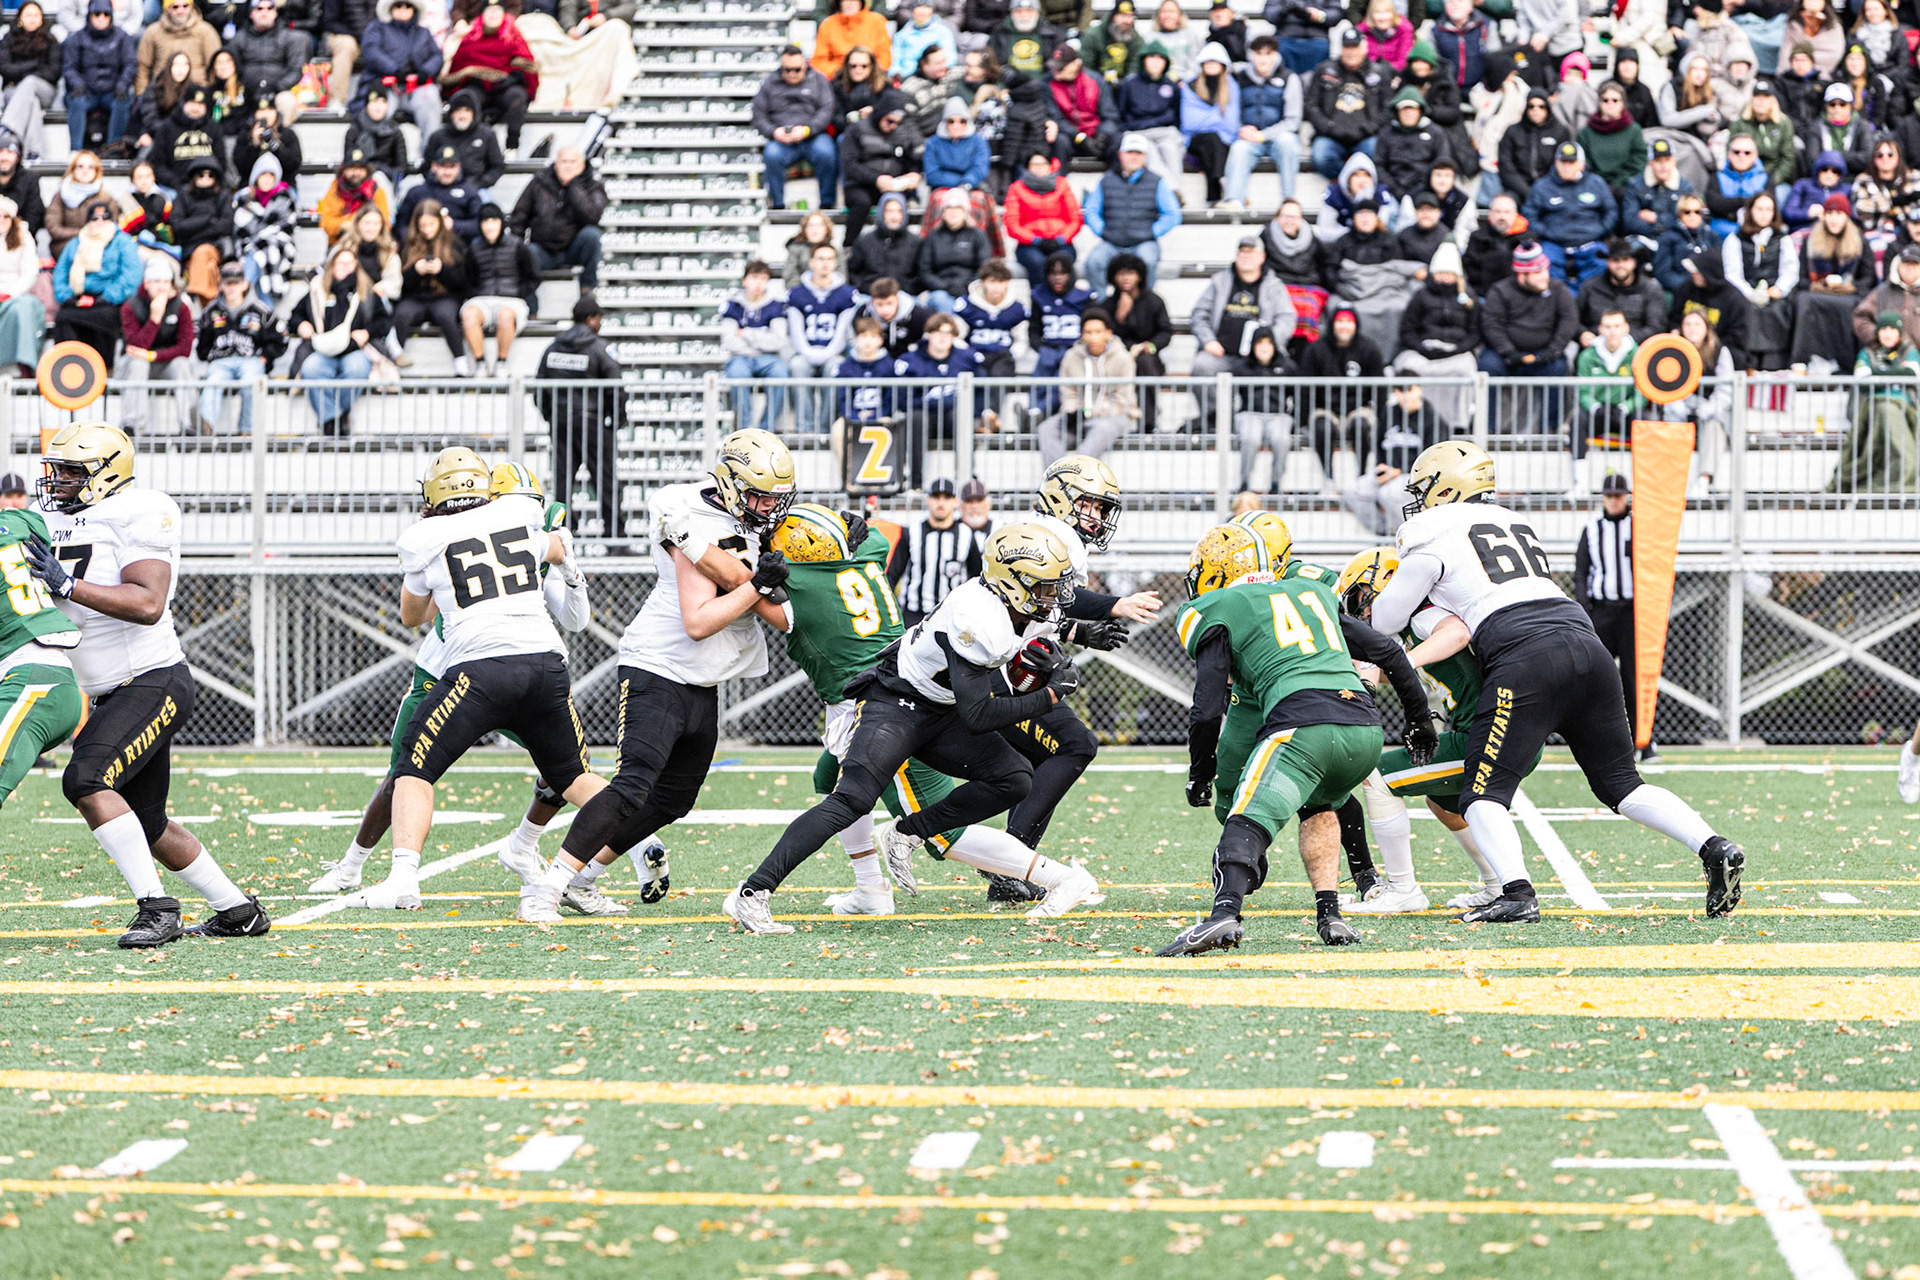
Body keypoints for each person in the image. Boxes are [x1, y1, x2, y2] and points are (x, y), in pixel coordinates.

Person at [1369, 440, 1747, 924]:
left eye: (1424, 488)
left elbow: (1385, 617)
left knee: (1482, 794)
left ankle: (1516, 892)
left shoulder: (1430, 529)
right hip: (1586, 644)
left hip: (1524, 654)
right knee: (1622, 785)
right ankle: (1713, 847)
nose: (1419, 500)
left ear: (1446, 488)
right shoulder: (1512, 520)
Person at [726, 521, 1083, 931]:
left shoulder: (1013, 605)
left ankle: (907, 832)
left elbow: (1039, 638)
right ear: (1013, 583)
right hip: (896, 702)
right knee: (852, 800)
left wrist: (1074, 641)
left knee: (1013, 778)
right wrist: (1051, 695)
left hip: (940, 705)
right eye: (1046, 588)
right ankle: (753, 893)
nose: (1054, 597)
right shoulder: (977, 616)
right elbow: (979, 716)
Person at [518, 431, 792, 923]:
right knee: (632, 786)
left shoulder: (741, 525)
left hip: (704, 678)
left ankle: (583, 878)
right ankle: (547, 887)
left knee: (673, 800)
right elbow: (698, 622)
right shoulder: (685, 510)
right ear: (730, 483)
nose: (769, 507)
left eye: (776, 497)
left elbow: (784, 615)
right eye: (759, 495)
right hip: (659, 664)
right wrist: (757, 585)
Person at [25, 424, 268, 946]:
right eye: (56, 469)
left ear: (107, 472)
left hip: (152, 679)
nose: (59, 480)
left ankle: (157, 908)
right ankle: (238, 911)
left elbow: (147, 603)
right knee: (148, 822)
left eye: (71, 471)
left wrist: (67, 584)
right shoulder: (47, 518)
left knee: (86, 779)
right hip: (109, 688)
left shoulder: (140, 510)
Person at [1157, 523, 1428, 953]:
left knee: (1248, 817)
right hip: (1364, 727)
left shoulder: (1218, 605)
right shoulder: (1312, 591)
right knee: (1319, 806)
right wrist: (1420, 721)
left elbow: (1207, 710)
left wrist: (1200, 772)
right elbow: (1389, 652)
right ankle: (1330, 915)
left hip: (1301, 722)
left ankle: (1223, 914)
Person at [368, 449, 604, 915]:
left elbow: (412, 616)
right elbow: (557, 550)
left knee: (414, 768)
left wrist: (435, 580)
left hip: (481, 669)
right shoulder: (521, 516)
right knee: (575, 777)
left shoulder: (426, 537)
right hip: (546, 663)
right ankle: (632, 840)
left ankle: (402, 880)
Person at [1573, 473, 1651, 756]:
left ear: (1627, 496)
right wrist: (1586, 611)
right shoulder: (1592, 529)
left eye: (1618, 495)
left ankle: (1643, 741)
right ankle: (1596, 742)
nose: (1614, 501)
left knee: (1634, 679)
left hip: (1632, 615)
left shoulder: (1639, 527)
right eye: (1609, 496)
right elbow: (1581, 572)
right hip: (1602, 612)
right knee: (1598, 679)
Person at [535, 297, 624, 539]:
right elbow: (615, 386)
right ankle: (614, 535)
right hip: (593, 423)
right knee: (605, 480)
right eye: (599, 318)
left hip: (561, 422)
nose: (600, 323)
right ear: (591, 319)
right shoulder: (600, 347)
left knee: (563, 481)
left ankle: (563, 534)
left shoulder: (553, 347)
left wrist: (550, 416)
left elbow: (539, 386)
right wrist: (616, 419)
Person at [1478, 241, 1578, 432]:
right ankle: (1487, 428)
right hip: (1506, 355)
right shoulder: (1500, 290)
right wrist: (1508, 351)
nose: (1545, 276)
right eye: (1538, 272)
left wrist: (1554, 349)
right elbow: (1492, 324)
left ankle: (1551, 429)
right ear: (1522, 274)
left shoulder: (1557, 289)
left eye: (1545, 270)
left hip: (1544, 354)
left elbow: (1569, 320)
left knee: (1559, 367)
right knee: (1487, 366)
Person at [290, 247, 389, 435]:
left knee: (356, 369)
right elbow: (295, 316)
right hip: (322, 350)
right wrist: (301, 324)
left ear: (356, 266)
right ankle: (332, 419)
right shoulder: (318, 290)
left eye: (349, 263)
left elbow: (384, 322)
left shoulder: (366, 292)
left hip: (356, 349)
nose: (345, 267)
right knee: (310, 368)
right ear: (331, 265)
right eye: (340, 263)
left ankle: (337, 417)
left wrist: (367, 333)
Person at [1392, 242, 1479, 424]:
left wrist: (1457, 349)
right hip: (1424, 349)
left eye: (1449, 273)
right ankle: (1407, 419)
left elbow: (1475, 332)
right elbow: (1407, 330)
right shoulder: (1421, 295)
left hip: (1455, 351)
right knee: (1406, 365)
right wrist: (1422, 348)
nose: (1444, 277)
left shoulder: (1468, 296)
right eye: (1440, 272)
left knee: (1466, 368)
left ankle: (1460, 423)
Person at [1296, 306, 1385, 484]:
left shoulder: (1369, 348)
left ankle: (1361, 477)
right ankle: (1328, 478)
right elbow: (1305, 388)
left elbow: (1379, 388)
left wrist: (1383, 418)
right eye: (1340, 321)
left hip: (1359, 408)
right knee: (1323, 428)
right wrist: (1302, 420)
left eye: (1349, 321)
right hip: (1325, 409)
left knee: (1361, 426)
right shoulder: (1316, 349)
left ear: (1356, 325)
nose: (1344, 326)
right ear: (1332, 324)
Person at [1190, 237, 1296, 386]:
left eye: (1251, 252)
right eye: (1242, 252)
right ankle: (1215, 404)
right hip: (1222, 355)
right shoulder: (1219, 281)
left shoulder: (1274, 286)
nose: (1246, 256)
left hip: (1256, 358)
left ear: (1262, 257)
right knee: (1202, 365)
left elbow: (1287, 318)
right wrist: (1209, 341)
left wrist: (1267, 343)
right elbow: (1199, 314)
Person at [1081, 133, 1180, 288]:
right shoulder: (1106, 180)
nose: (1134, 157)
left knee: (1147, 262)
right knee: (1094, 262)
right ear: (1120, 155)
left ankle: (1144, 302)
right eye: (1129, 152)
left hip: (1144, 243)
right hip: (1111, 243)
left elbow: (1172, 214)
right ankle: (1101, 302)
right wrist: (1103, 231)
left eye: (1138, 153)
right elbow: (1091, 210)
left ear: (1145, 156)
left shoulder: (1157, 182)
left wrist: (1151, 232)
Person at [196, 262, 283, 435]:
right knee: (212, 382)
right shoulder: (211, 311)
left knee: (251, 383)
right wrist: (211, 356)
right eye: (227, 283)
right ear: (221, 285)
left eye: (236, 283)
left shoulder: (260, 310)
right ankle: (207, 429)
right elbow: (202, 345)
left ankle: (247, 431)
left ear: (245, 284)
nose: (232, 287)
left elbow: (280, 338)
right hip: (221, 362)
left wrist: (266, 357)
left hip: (251, 360)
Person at [1039, 307, 1137, 461]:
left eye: (1098, 332)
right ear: (1082, 334)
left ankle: (1077, 471)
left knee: (1102, 429)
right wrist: (1074, 411)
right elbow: (1068, 393)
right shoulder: (1072, 356)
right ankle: (1058, 473)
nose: (1093, 337)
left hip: (1112, 416)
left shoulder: (1122, 358)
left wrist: (1092, 412)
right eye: (1088, 332)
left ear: (1108, 333)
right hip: (1079, 417)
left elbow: (1122, 399)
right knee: (1046, 428)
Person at [53, 199, 141, 368]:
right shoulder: (76, 242)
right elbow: (60, 273)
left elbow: (131, 276)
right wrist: (67, 297)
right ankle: (68, 367)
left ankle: (102, 369)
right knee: (64, 318)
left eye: (104, 217)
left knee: (102, 319)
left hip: (108, 299)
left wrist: (106, 297)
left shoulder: (122, 241)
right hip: (77, 297)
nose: (99, 221)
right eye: (94, 217)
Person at [1328, 197, 1418, 360]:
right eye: (1361, 214)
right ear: (1354, 218)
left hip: (1384, 293)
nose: (1365, 218)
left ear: (1376, 218)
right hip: (1351, 293)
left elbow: (1395, 270)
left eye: (1369, 214)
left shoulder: (1389, 240)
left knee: (1398, 307)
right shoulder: (1343, 242)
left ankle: (1389, 357)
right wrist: (1343, 289)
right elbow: (1330, 270)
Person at [442, 3, 537, 155]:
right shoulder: (471, 38)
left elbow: (528, 66)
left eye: (497, 11)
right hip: (478, 86)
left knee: (517, 97)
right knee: (468, 98)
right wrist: (472, 76)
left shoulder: (514, 38)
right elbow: (459, 66)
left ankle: (512, 145)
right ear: (482, 15)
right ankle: (469, 145)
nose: (493, 15)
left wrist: (514, 76)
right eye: (489, 11)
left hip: (506, 86)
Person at [1791, 194, 1873, 370]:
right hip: (1816, 292)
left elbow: (1868, 278)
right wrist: (1816, 285)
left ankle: (1847, 365)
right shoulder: (1810, 240)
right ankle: (1803, 362)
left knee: (1854, 306)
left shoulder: (1860, 241)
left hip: (1849, 294)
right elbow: (1801, 277)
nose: (1834, 219)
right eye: (1830, 214)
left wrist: (1851, 287)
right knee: (1803, 301)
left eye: (1839, 214)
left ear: (1846, 216)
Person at [510, 146, 606, 295]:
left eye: (572, 162)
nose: (568, 166)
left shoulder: (592, 184)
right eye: (564, 161)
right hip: (543, 249)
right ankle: (529, 304)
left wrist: (574, 186)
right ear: (556, 164)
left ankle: (587, 291)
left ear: (582, 165)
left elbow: (593, 217)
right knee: (526, 253)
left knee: (592, 235)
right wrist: (516, 247)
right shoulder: (540, 182)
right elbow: (519, 217)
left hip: (574, 249)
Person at [888, 477, 984, 624]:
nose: (941, 503)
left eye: (947, 498)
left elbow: (977, 577)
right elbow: (892, 575)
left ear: (956, 501)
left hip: (953, 616)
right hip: (914, 616)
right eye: (936, 497)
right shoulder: (912, 532)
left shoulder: (966, 535)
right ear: (927, 500)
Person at [1522, 141, 1618, 286]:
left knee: (1601, 261)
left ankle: (1584, 296)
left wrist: (1601, 229)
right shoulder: (1542, 186)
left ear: (1582, 164)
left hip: (1590, 242)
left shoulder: (1596, 183)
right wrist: (1547, 232)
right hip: (1554, 243)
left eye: (1571, 162)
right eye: (1563, 162)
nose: (1567, 167)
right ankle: (1563, 296)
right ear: (1556, 163)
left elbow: (1611, 210)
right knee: (1544, 263)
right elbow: (1529, 215)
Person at [755, 46, 838, 211]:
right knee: (771, 154)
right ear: (781, 67)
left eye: (797, 70)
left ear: (805, 66)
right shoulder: (769, 83)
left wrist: (807, 130)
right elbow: (758, 115)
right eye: (787, 70)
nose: (792, 74)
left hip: (813, 136)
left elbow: (827, 110)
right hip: (781, 138)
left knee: (827, 153)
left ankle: (827, 204)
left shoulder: (818, 80)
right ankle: (777, 205)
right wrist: (774, 132)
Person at [116, 257, 194, 435]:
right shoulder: (131, 306)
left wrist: (153, 356)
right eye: (156, 281)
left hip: (164, 364)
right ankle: (132, 425)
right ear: (146, 283)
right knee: (138, 363)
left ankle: (187, 425)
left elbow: (185, 348)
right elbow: (135, 346)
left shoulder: (181, 307)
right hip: (133, 367)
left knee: (181, 364)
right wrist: (154, 319)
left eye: (165, 281)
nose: (161, 287)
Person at [392, 198, 472, 371]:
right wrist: (415, 271)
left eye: (431, 224)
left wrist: (442, 270)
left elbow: (462, 281)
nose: (427, 230)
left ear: (440, 223)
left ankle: (460, 363)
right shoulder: (407, 244)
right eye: (423, 225)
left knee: (446, 316)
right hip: (414, 298)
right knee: (402, 314)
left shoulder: (454, 243)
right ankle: (392, 361)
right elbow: (399, 282)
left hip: (445, 297)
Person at [786, 243, 857, 436]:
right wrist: (808, 353)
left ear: (835, 263)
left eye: (829, 259)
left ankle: (826, 429)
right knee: (798, 366)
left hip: (833, 352)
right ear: (811, 262)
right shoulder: (797, 293)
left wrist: (827, 353)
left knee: (836, 368)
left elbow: (843, 333)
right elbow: (795, 332)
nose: (825, 263)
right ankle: (806, 429)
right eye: (820, 259)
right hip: (805, 351)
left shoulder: (846, 294)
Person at [459, 202, 536, 375]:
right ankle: (480, 363)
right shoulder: (473, 248)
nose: (490, 226)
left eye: (494, 221)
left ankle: (502, 362)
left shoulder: (517, 245)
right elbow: (467, 279)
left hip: (511, 300)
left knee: (505, 316)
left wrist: (520, 293)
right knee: (469, 314)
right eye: (485, 221)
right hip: (482, 299)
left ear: (501, 222)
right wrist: (475, 293)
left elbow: (533, 275)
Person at [1225, 35, 1302, 207]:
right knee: (1238, 149)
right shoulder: (1240, 78)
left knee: (1288, 143)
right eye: (1258, 53)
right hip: (1249, 138)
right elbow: (1231, 111)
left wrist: (1263, 135)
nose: (1263, 59)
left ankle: (1288, 200)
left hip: (1278, 136)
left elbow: (1293, 121)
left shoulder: (1289, 78)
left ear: (1275, 55)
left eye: (1268, 53)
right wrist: (1241, 129)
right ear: (1251, 55)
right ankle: (1234, 200)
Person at [1304, 29, 1388, 180]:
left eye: (1355, 47)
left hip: (1366, 136)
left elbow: (1387, 109)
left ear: (1364, 48)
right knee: (1321, 156)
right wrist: (1328, 127)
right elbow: (1311, 105)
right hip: (1330, 136)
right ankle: (1347, 184)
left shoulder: (1379, 73)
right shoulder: (1324, 70)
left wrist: (1368, 128)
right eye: (1347, 47)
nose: (1351, 52)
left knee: (1376, 153)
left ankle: (1352, 184)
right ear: (1341, 49)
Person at [1727, 191, 1797, 368]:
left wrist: (1779, 289)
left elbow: (1790, 270)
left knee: (1778, 310)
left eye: (1768, 209)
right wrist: (1750, 293)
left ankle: (1773, 364)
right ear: (1750, 211)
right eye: (1759, 209)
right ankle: (1749, 364)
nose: (1764, 214)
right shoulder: (1735, 239)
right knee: (1748, 311)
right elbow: (1732, 274)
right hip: (1745, 294)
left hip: (1775, 293)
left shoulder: (1783, 239)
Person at [1100, 250, 1171, 425]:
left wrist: (1149, 346)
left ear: (1139, 276)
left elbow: (1165, 332)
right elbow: (1105, 335)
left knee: (1145, 363)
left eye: (1130, 273)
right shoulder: (1108, 304)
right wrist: (1120, 318)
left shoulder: (1154, 301)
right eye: (1121, 273)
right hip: (1115, 356)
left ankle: (1148, 423)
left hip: (1147, 357)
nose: (1125, 278)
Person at [720, 260, 791, 434]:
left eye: (763, 278)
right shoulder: (733, 305)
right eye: (754, 278)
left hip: (768, 358)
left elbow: (778, 341)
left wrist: (745, 334)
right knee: (737, 373)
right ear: (744, 280)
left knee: (780, 372)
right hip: (740, 357)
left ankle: (766, 430)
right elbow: (729, 341)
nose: (759, 283)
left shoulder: (776, 306)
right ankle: (744, 430)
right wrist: (761, 342)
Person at [839, 87, 920, 235]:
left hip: (894, 184)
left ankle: (898, 243)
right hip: (861, 184)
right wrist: (876, 179)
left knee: (895, 204)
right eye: (890, 121)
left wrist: (913, 174)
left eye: (897, 122)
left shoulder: (903, 131)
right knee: (861, 203)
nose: (893, 125)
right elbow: (849, 164)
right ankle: (849, 244)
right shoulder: (857, 129)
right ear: (881, 113)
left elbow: (912, 160)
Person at [956, 258, 1026, 429]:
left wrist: (1014, 352)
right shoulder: (968, 305)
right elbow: (957, 336)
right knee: (975, 375)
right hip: (974, 354)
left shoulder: (1016, 308)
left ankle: (989, 417)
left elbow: (1021, 339)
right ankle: (974, 418)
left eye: (1001, 282)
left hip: (1001, 356)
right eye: (992, 281)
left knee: (999, 376)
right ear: (983, 282)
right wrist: (968, 353)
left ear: (1007, 283)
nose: (996, 287)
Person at [62, 0, 134, 154]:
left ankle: (113, 149)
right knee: (76, 101)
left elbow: (130, 64)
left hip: (112, 90)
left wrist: (123, 84)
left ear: (111, 16)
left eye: (106, 14)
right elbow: (69, 67)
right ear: (89, 15)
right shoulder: (77, 38)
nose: (101, 18)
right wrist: (77, 83)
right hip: (87, 91)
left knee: (123, 101)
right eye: (97, 14)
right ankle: (75, 150)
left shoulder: (122, 37)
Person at [1573, 308, 1640, 470]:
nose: (1612, 331)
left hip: (1624, 413)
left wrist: (1626, 407)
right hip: (1598, 413)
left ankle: (1643, 474)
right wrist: (1595, 408)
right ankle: (1579, 474)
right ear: (1600, 329)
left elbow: (1642, 392)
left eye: (1617, 326)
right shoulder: (1587, 356)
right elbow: (1583, 391)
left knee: (1643, 419)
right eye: (1608, 327)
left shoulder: (1637, 354)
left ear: (1626, 328)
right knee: (1578, 420)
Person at [1025, 250, 1090, 417]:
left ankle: (1037, 412)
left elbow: (1090, 327)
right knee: (1039, 380)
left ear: (1071, 274)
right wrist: (1040, 348)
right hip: (1048, 348)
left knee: (1059, 382)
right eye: (1053, 273)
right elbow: (1034, 328)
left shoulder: (1084, 297)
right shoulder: (1039, 295)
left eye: (1063, 273)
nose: (1058, 278)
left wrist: (1080, 348)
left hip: (1073, 350)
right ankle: (1031, 410)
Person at [1232, 325, 1295, 492]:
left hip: (1278, 415)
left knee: (1281, 440)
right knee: (1250, 438)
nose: (1264, 347)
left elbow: (1298, 393)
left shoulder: (1287, 367)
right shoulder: (1241, 367)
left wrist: (1295, 417)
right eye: (1260, 343)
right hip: (1249, 414)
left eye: (1268, 342)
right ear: (1253, 345)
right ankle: (1244, 483)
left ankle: (1276, 483)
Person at [1114, 41, 1184, 188]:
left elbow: (1175, 114)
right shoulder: (1129, 84)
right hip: (1138, 131)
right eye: (1152, 57)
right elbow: (1122, 115)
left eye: (1160, 58)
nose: (1156, 62)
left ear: (1166, 62)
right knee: (1150, 152)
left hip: (1165, 132)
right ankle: (1171, 190)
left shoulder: (1171, 86)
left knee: (1171, 149)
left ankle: (1174, 189)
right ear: (1143, 60)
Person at [1003, 151, 1081, 281]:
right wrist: (1035, 240)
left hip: (1061, 242)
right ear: (1027, 168)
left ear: (1050, 166)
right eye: (1034, 164)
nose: (1039, 168)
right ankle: (1039, 294)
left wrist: (1061, 239)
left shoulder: (1062, 185)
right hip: (1029, 244)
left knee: (1062, 262)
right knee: (1037, 263)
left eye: (1043, 164)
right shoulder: (1016, 188)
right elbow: (1012, 224)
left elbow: (1075, 219)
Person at [232, 153, 297, 304]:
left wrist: (261, 234)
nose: (267, 179)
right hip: (251, 245)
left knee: (264, 250)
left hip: (278, 244)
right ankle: (266, 309)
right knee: (259, 253)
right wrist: (260, 235)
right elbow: (241, 227)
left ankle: (244, 286)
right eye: (263, 175)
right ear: (256, 177)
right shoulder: (245, 198)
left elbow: (287, 226)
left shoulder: (285, 198)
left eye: (270, 175)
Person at [0, 2, 61, 162]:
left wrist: (22, 74)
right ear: (20, 18)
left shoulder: (51, 40)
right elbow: (5, 68)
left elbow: (53, 72)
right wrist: (35, 65)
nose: (32, 19)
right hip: (14, 92)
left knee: (30, 82)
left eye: (36, 15)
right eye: (28, 15)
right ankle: (34, 152)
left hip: (44, 90)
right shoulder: (9, 39)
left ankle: (7, 128)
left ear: (41, 19)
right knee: (32, 102)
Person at [1181, 42, 1239, 206]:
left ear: (1223, 65)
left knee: (1215, 142)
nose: (1212, 64)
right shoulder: (1190, 86)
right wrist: (1216, 118)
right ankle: (1220, 182)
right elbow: (1190, 123)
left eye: (1216, 61)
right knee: (1211, 140)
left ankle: (1213, 196)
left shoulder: (1231, 86)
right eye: (1208, 61)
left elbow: (1231, 124)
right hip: (1195, 141)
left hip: (1223, 140)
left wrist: (1207, 120)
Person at [1578, 237, 1667, 343]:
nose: (1621, 265)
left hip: (1638, 348)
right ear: (1607, 262)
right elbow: (1573, 319)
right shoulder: (1590, 286)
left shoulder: (1650, 288)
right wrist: (1582, 333)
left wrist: (1624, 342)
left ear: (1634, 262)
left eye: (1625, 259)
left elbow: (1656, 327)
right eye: (1615, 260)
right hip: (1595, 346)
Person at [231, 0, 305, 124]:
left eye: (269, 8)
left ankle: (282, 134)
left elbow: (296, 70)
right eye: (259, 9)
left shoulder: (288, 37)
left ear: (276, 13)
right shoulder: (240, 38)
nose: (264, 12)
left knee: (287, 101)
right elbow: (232, 66)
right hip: (247, 92)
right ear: (251, 14)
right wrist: (245, 85)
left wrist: (278, 87)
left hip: (279, 91)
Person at [397, 144, 485, 248]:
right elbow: (401, 225)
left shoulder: (469, 192)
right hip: (421, 248)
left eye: (452, 166)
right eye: (443, 166)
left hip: (457, 249)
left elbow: (479, 224)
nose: (447, 172)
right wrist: (416, 236)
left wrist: (453, 225)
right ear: (434, 166)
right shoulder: (417, 192)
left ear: (458, 167)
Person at [425, 90, 506, 193]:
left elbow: (497, 166)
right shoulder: (438, 136)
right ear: (451, 114)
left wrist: (481, 183)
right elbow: (427, 166)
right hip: (442, 188)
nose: (462, 116)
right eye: (458, 111)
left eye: (467, 111)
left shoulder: (487, 135)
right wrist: (440, 182)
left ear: (474, 113)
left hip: (477, 188)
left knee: (485, 203)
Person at [1623, 138, 1694, 249]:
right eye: (1658, 161)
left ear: (1674, 162)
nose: (1663, 166)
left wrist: (1655, 219)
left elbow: (1688, 221)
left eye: (1667, 160)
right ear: (1650, 163)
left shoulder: (1684, 187)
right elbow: (1629, 221)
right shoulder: (1635, 184)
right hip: (1643, 238)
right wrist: (1665, 225)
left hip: (1675, 239)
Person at [134, 0, 217, 95]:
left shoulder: (206, 31)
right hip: (161, 93)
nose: (180, 11)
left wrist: (210, 96)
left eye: (185, 6)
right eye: (175, 7)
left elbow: (214, 66)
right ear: (166, 9)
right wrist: (141, 95)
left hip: (197, 93)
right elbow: (143, 67)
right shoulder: (153, 32)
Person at [1577, 81, 1644, 197]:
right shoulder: (1585, 132)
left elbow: (1638, 161)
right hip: (1593, 187)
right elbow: (1583, 163)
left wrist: (1618, 183)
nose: (1610, 104)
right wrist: (1598, 183)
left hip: (1626, 188)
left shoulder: (1634, 130)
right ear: (1599, 103)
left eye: (1615, 100)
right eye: (1605, 100)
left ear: (1623, 103)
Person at [847, 191, 920, 293]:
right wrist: (866, 288)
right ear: (881, 213)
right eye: (889, 211)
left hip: (904, 295)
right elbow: (853, 271)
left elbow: (922, 272)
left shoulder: (915, 242)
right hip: (870, 295)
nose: (894, 217)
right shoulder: (864, 241)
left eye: (899, 211)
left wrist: (909, 289)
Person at [0, 197, 41, 377]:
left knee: (22, 309)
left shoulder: (23, 237)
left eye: (6, 216)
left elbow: (30, 272)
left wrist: (10, 293)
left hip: (16, 293)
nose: (2, 220)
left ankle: (23, 364)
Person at [1703, 131, 1770, 236]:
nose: (1741, 156)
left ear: (1755, 156)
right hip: (1720, 233)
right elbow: (1714, 204)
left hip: (1756, 234)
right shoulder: (1717, 176)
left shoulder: (1766, 177)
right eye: (1736, 152)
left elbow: (1768, 207)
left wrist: (1729, 205)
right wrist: (1749, 201)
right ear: (1729, 154)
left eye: (1747, 152)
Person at [344, 85, 409, 190]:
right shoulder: (355, 131)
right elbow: (347, 165)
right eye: (374, 102)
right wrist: (368, 170)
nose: (378, 107)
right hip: (358, 182)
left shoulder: (394, 132)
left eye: (383, 102)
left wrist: (379, 169)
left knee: (379, 178)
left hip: (386, 182)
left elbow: (401, 169)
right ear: (367, 104)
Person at [1463, 192, 1527, 296]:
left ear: (1515, 214)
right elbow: (1470, 269)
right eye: (1498, 212)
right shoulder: (1477, 237)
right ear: (1490, 213)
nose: (1502, 217)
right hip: (1484, 293)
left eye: (1507, 212)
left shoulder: (1527, 238)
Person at [812, 0, 890, 78]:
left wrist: (869, 72)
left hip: (871, 76)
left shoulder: (876, 22)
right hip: (837, 77)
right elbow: (819, 60)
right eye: (845, 0)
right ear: (839, 3)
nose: (850, 3)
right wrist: (839, 72)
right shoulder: (828, 24)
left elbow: (884, 56)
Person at [854, 276, 928, 357]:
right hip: (875, 358)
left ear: (897, 299)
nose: (885, 310)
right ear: (872, 302)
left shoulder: (918, 315)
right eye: (879, 304)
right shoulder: (864, 314)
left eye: (889, 303)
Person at [992, 0, 1062, 77]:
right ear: (1011, 13)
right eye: (1018, 11)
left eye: (1029, 11)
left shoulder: (1052, 34)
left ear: (1037, 12)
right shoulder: (999, 34)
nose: (1023, 15)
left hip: (1044, 82)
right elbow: (994, 63)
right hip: (1009, 82)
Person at [1786, 149, 1849, 228]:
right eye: (1824, 169)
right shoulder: (1803, 185)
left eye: (1835, 171)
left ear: (1840, 175)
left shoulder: (1848, 190)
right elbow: (1788, 213)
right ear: (1818, 170)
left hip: (1837, 231)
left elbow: (1855, 217)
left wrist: (1835, 215)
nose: (1829, 175)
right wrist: (1807, 213)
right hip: (1806, 230)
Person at [1081, 0, 1143, 81]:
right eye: (1123, 15)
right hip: (1095, 83)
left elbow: (1134, 68)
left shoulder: (1136, 40)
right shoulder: (1093, 36)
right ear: (1113, 16)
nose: (1127, 21)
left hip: (1124, 84)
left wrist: (1124, 84)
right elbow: (1086, 67)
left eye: (1131, 16)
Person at [894, 0, 959, 76]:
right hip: (908, 76)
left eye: (926, 7)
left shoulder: (943, 31)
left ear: (932, 10)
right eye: (918, 7)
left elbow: (950, 58)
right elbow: (895, 62)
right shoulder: (902, 35)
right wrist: (897, 73)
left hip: (937, 75)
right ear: (912, 11)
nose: (922, 11)